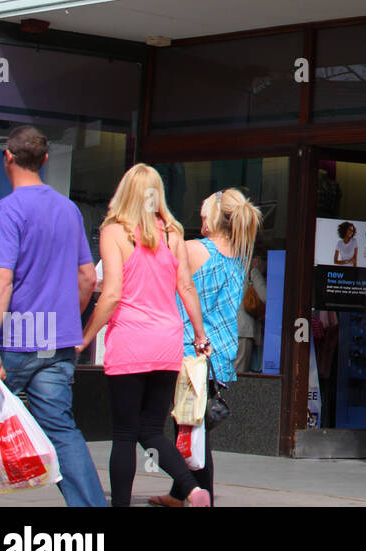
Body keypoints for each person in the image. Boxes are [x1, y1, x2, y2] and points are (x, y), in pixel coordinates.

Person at [0, 126, 107, 507]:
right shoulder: (68, 209)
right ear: (45, 159)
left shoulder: (7, 210)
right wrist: (70, 321)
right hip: (56, 343)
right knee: (61, 430)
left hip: (15, 340)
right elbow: (87, 277)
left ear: (7, 157)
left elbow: (1, 280)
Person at [82, 164, 211, 507]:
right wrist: (199, 335)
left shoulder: (114, 232)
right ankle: (193, 489)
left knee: (124, 434)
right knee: (152, 430)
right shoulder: (172, 233)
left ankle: (120, 505)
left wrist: (85, 337)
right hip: (167, 343)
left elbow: (110, 295)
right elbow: (185, 287)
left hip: (129, 343)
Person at [151, 188, 262, 507]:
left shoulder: (194, 249)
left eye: (203, 214)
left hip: (188, 351)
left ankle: (201, 496)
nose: (199, 220)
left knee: (184, 428)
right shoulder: (239, 256)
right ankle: (179, 493)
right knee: (192, 426)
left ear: (216, 217)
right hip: (218, 354)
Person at [235, 251, 267, 375]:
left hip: (224, 327)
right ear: (257, 259)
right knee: (239, 371)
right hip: (243, 328)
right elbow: (265, 296)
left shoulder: (228, 269)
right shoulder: (252, 272)